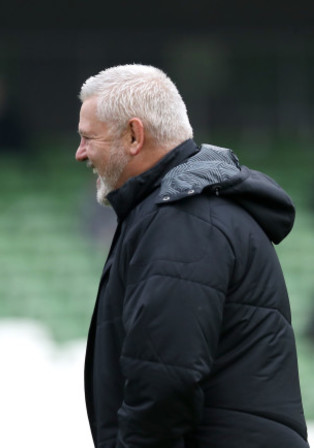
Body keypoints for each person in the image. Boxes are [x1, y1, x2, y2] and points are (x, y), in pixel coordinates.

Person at [75, 64, 308, 447]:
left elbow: (164, 378)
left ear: (134, 135)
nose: (80, 153)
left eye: (88, 138)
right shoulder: (190, 209)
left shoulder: (184, 217)